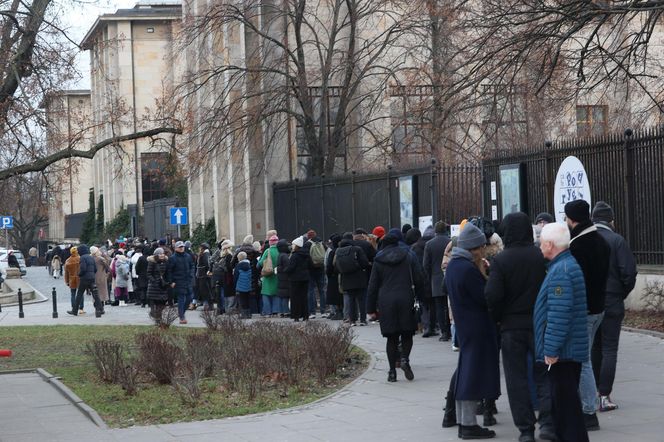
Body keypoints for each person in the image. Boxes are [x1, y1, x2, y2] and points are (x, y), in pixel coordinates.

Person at [485, 212, 552, 442]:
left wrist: (498, 317)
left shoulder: (501, 261)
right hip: (539, 323)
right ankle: (548, 424)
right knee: (544, 375)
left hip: (511, 327)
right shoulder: (539, 255)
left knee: (516, 379)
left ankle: (525, 430)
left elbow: (492, 296)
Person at [535, 222, 589, 442]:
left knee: (568, 412)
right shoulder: (564, 266)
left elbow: (559, 315)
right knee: (565, 409)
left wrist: (551, 350)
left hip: (564, 354)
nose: (539, 247)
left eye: (541, 243)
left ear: (549, 244)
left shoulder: (561, 271)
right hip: (568, 351)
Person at [445, 223, 500, 440]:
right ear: (473, 248)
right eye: (481, 246)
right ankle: (468, 425)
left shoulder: (453, 266)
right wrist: (486, 275)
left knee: (467, 374)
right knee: (471, 376)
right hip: (477, 328)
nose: (484, 250)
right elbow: (484, 297)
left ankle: (463, 422)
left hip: (466, 328)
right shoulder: (467, 269)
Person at [564, 199, 610, 431]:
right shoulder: (602, 241)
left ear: (572, 220)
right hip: (599, 307)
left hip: (584, 309)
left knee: (582, 361)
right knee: (585, 358)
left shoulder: (577, 246)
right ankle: (586, 407)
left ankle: (588, 411)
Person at [591, 201, 637, 412]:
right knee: (610, 348)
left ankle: (591, 393)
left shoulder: (584, 240)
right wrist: (620, 293)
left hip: (591, 302)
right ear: (611, 220)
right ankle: (604, 395)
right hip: (612, 300)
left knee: (594, 347)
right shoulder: (617, 241)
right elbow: (629, 273)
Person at [367, 230, 426, 383]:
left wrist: (370, 309)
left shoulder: (378, 260)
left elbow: (372, 286)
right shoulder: (409, 255)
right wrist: (422, 298)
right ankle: (405, 359)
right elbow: (419, 278)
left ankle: (392, 371)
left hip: (386, 301)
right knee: (407, 334)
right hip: (406, 298)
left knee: (391, 338)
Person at [424, 221, 451, 341]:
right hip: (449, 276)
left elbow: (426, 265)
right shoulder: (450, 242)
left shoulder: (429, 244)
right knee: (449, 305)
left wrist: (428, 278)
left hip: (435, 279)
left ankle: (444, 332)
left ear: (435, 230)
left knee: (439, 306)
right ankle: (451, 330)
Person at [335, 234, 370, 326]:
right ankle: (363, 320)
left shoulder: (338, 251)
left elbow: (335, 265)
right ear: (352, 239)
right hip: (359, 277)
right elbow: (364, 262)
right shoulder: (357, 249)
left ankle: (352, 320)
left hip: (346, 278)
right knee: (361, 299)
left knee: (351, 299)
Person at [67, 244, 103, 317]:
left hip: (84, 278)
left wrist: (79, 274)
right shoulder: (91, 257)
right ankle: (100, 309)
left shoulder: (82, 258)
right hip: (92, 278)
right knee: (95, 294)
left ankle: (74, 310)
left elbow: (83, 268)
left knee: (79, 294)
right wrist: (92, 274)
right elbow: (95, 269)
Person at [166, 241, 195, 324]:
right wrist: (171, 281)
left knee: (190, 297)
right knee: (181, 299)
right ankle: (182, 317)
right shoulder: (172, 258)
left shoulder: (188, 256)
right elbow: (169, 271)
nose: (181, 248)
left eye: (182, 246)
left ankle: (181, 312)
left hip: (188, 280)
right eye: (179, 247)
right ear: (175, 248)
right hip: (178, 281)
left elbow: (192, 265)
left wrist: (191, 274)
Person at [283, 236, 312, 322]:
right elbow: (311, 265)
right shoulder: (306, 255)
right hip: (305, 278)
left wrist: (284, 270)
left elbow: (291, 267)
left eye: (293, 244)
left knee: (295, 297)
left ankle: (296, 315)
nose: (292, 246)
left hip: (295, 279)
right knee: (304, 297)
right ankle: (305, 315)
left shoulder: (294, 256)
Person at [306, 230, 327, 318]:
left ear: (308, 236)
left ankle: (312, 312)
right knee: (322, 290)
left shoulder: (307, 244)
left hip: (311, 270)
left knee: (311, 290)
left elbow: (306, 256)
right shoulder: (322, 243)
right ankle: (323, 311)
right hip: (321, 269)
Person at [258, 235, 280, 316]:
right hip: (276, 275)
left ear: (270, 243)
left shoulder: (267, 251)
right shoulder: (279, 251)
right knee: (275, 293)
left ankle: (268, 312)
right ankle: (275, 311)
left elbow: (260, 263)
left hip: (267, 275)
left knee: (266, 293)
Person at [147, 247, 169, 326]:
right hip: (154, 286)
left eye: (163, 253)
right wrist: (153, 280)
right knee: (156, 303)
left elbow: (167, 272)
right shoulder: (152, 262)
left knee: (162, 303)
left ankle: (158, 317)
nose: (162, 255)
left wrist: (167, 281)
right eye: (160, 254)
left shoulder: (166, 262)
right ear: (156, 255)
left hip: (163, 285)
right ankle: (158, 319)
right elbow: (149, 273)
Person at [325, 234, 343, 320]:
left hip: (334, 276)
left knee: (335, 296)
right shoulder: (343, 250)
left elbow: (329, 266)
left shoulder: (333, 251)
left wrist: (329, 274)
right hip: (343, 274)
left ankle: (338, 312)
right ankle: (344, 311)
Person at [64, 247, 84, 314]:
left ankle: (74, 308)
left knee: (73, 294)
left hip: (71, 279)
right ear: (77, 252)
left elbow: (66, 273)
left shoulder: (68, 261)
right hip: (80, 278)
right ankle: (81, 308)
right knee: (80, 293)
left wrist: (66, 281)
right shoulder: (80, 259)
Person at [234, 251, 253, 319]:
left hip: (240, 285)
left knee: (242, 300)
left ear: (239, 258)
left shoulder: (238, 266)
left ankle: (244, 314)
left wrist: (235, 284)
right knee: (247, 299)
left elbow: (236, 276)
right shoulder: (249, 265)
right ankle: (248, 314)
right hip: (248, 285)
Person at [195, 243, 214, 311]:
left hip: (203, 275)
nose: (199, 248)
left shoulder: (205, 254)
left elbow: (207, 264)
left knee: (206, 290)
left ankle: (210, 305)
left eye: (200, 247)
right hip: (202, 275)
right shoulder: (205, 254)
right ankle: (208, 305)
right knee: (205, 290)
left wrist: (207, 272)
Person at [275, 239, 291, 317]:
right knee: (285, 295)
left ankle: (281, 311)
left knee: (281, 295)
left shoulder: (280, 255)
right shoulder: (284, 256)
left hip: (281, 278)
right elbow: (288, 267)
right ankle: (286, 311)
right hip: (286, 278)